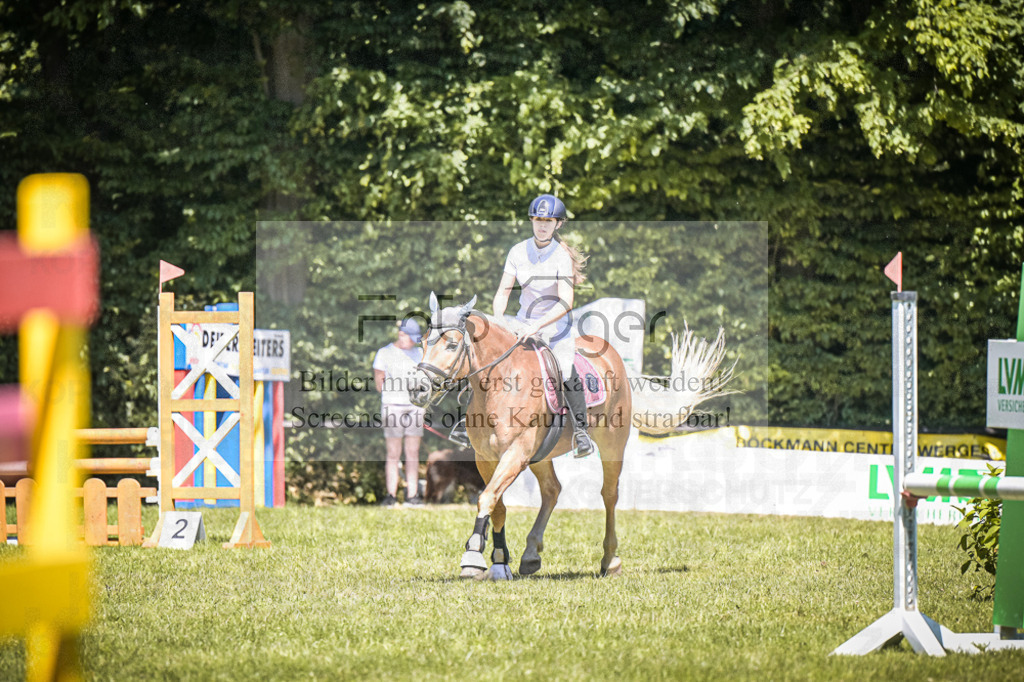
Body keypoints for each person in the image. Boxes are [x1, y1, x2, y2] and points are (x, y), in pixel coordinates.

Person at [451, 194, 593, 457]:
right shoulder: (518, 251)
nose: (542, 225)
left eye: (548, 221)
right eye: (538, 219)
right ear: (531, 220)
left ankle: (582, 432)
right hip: (521, 321)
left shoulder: (561, 256)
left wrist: (538, 325)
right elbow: (503, 292)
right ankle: (467, 423)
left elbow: (566, 302)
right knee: (485, 358)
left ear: (558, 224)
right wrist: (499, 321)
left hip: (554, 324)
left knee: (564, 367)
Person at [373, 318, 427, 506]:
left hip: (415, 407)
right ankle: (391, 495)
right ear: (400, 334)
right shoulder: (385, 353)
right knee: (393, 453)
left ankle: (412, 496)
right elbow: (379, 384)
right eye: (409, 337)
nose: (412, 341)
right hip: (392, 406)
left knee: (412, 452)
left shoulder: (420, 353)